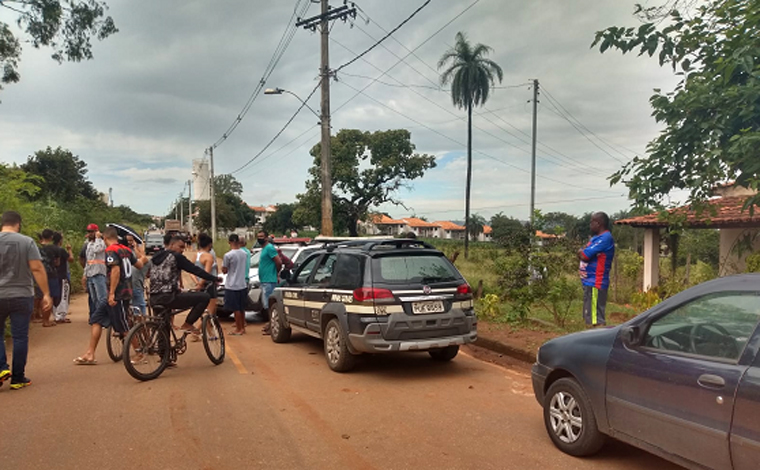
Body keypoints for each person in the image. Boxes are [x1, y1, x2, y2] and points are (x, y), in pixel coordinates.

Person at [74, 227, 148, 365]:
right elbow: (138, 265)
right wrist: (143, 258)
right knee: (96, 319)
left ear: (105, 238)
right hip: (122, 292)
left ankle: (139, 352)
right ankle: (90, 353)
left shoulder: (111, 251)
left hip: (118, 294)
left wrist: (112, 293)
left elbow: (115, 270)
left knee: (123, 326)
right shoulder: (126, 250)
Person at [0, 211, 52, 389]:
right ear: (18, 224)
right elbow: (37, 268)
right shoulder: (27, 242)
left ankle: (1, 368)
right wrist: (46, 294)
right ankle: (17, 378)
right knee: (20, 336)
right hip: (22, 294)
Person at [149, 236, 220, 335]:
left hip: (153, 297)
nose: (182, 250)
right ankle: (188, 324)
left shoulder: (155, 257)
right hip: (169, 297)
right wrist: (214, 278)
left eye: (184, 248)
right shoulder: (176, 257)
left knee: (163, 328)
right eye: (181, 247)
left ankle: (164, 350)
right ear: (172, 245)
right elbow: (194, 269)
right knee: (204, 297)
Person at [578, 212, 615, 328]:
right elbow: (583, 252)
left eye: (592, 222)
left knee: (596, 319)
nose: (590, 224)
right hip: (590, 282)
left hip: (596, 283)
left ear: (598, 223)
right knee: (592, 316)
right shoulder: (595, 239)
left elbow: (584, 255)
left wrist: (581, 252)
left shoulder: (605, 238)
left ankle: (598, 341)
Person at [79, 224, 107, 321]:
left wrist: (98, 238)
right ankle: (98, 318)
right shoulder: (89, 244)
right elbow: (88, 260)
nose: (90, 234)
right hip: (90, 274)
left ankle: (103, 318)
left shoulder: (102, 243)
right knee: (94, 299)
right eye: (89, 232)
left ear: (96, 232)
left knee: (102, 299)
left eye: (92, 232)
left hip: (99, 273)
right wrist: (84, 275)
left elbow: (97, 250)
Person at [38, 229, 65, 327]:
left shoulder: (38, 248)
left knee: (41, 296)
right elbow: (57, 263)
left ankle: (40, 317)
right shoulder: (55, 249)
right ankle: (46, 320)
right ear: (51, 237)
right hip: (51, 274)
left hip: (39, 274)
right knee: (50, 296)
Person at [223, 234, 248, 335]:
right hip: (242, 283)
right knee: (241, 307)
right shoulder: (244, 253)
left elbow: (224, 270)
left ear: (229, 242)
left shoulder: (228, 255)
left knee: (235, 308)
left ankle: (238, 329)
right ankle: (242, 327)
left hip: (232, 284)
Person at [258, 231, 282, 336]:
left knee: (269, 305)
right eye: (258, 237)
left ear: (267, 238)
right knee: (266, 304)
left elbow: (278, 262)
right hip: (264, 280)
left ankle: (272, 326)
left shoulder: (269, 248)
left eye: (262, 237)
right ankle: (270, 324)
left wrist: (276, 273)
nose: (259, 238)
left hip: (269, 280)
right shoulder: (264, 249)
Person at [194, 233, 218, 317]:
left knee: (201, 308)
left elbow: (191, 272)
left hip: (199, 285)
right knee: (210, 310)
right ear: (210, 244)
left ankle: (204, 329)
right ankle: (199, 328)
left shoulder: (196, 255)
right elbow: (206, 273)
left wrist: (197, 282)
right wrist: (201, 283)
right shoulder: (209, 257)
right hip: (209, 284)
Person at [52, 232, 74, 323]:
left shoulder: (50, 249)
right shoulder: (61, 250)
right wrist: (69, 250)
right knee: (64, 295)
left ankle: (55, 314)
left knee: (55, 295)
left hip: (52, 275)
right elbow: (71, 259)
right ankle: (60, 316)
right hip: (62, 275)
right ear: (60, 240)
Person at [126, 235, 149, 316]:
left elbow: (142, 258)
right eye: (127, 241)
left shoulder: (141, 257)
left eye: (131, 241)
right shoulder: (125, 252)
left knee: (139, 309)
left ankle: (141, 327)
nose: (129, 243)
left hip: (136, 287)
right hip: (126, 287)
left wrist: (136, 247)